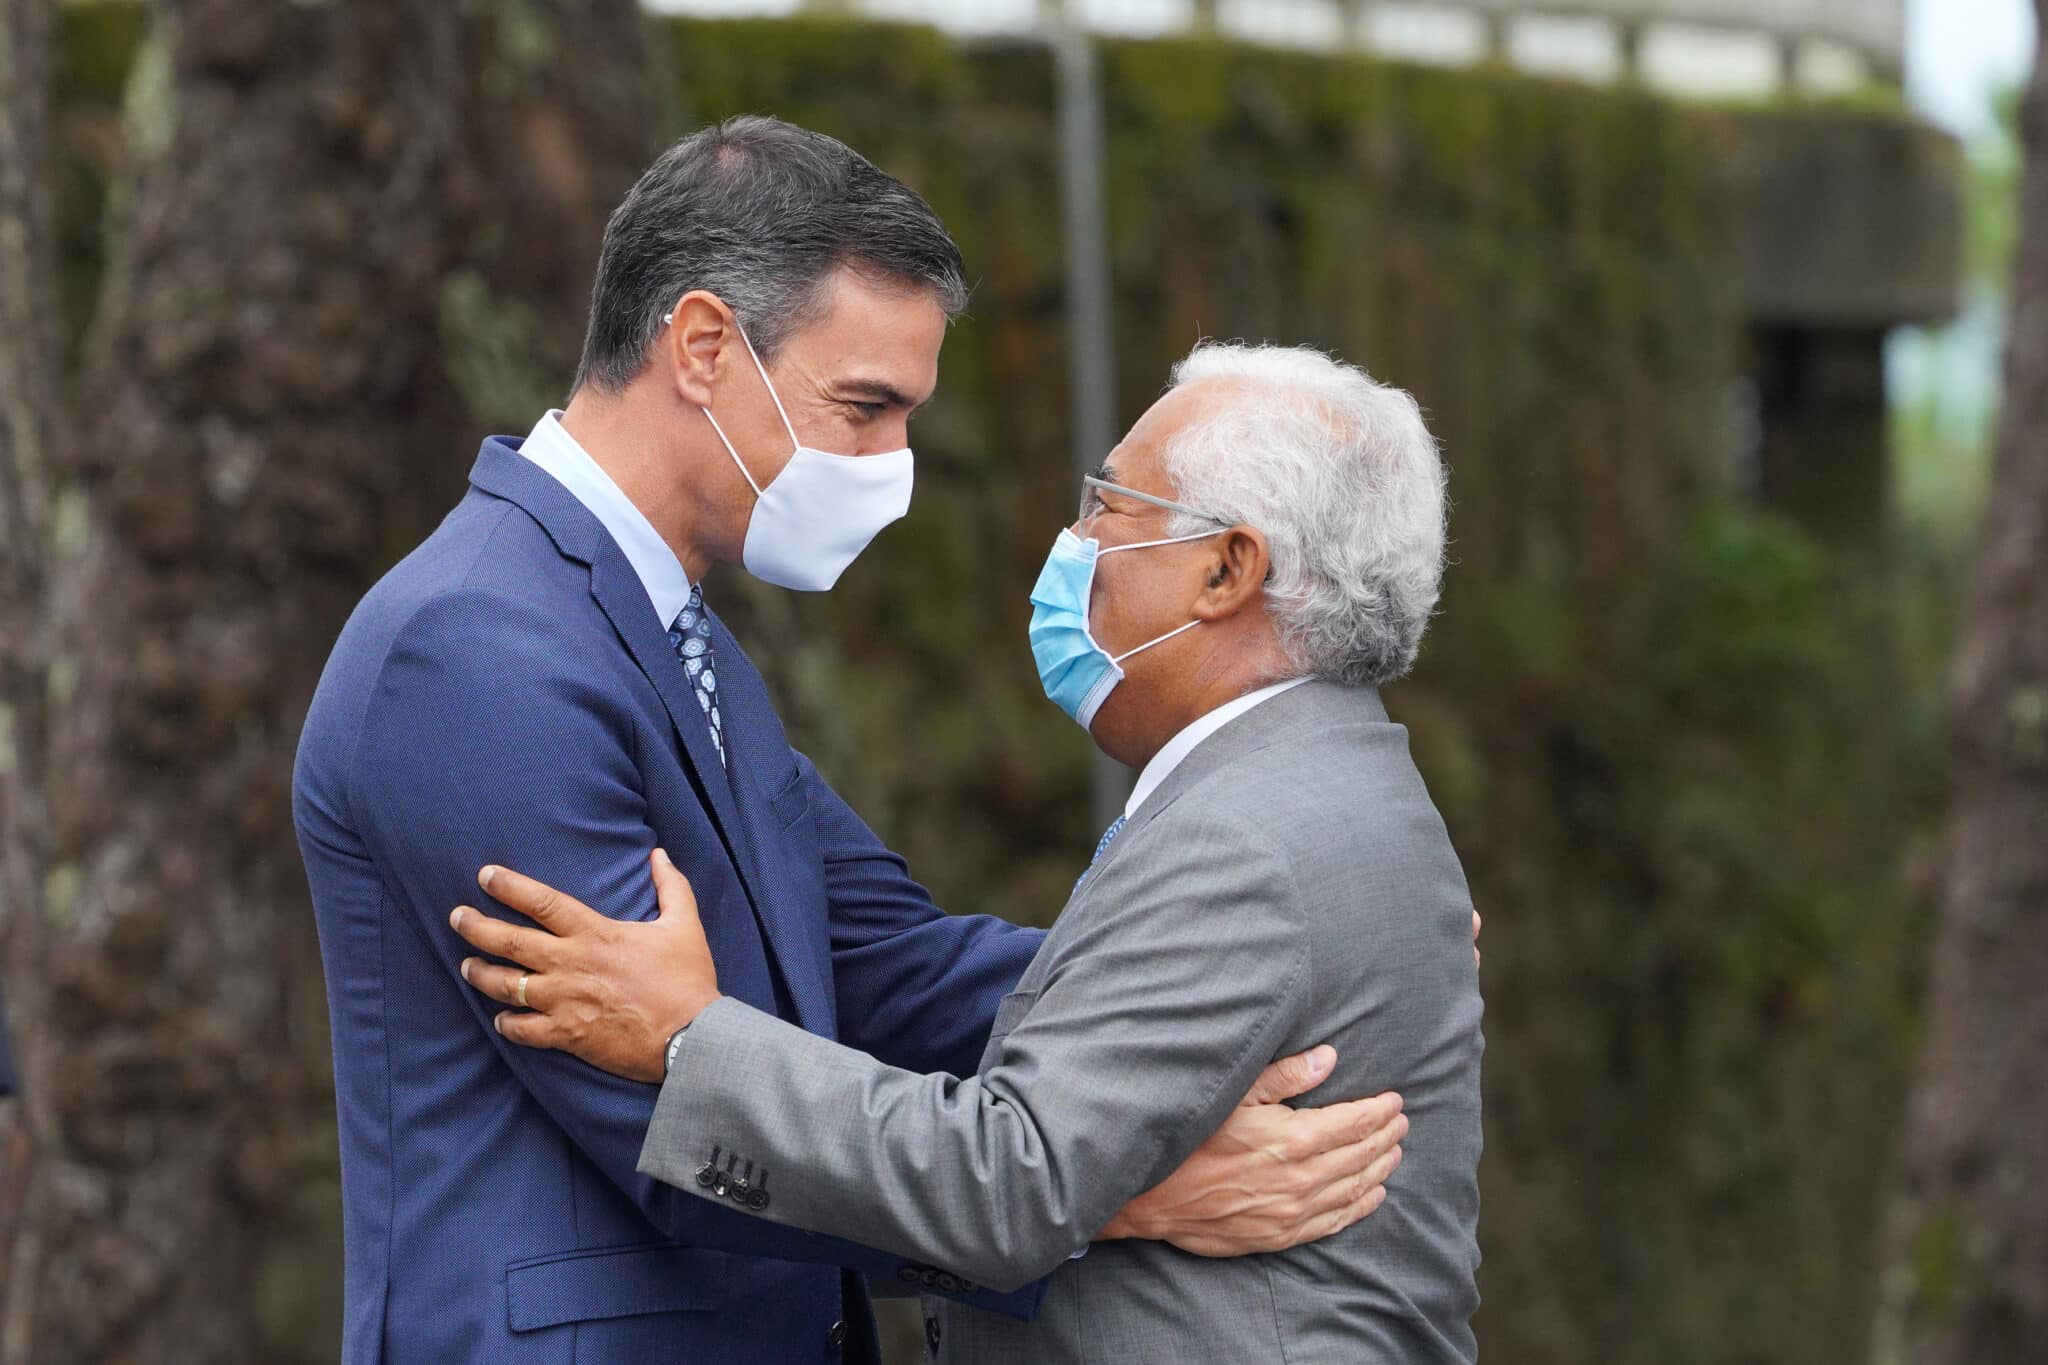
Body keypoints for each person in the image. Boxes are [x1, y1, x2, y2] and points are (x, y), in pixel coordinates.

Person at [294, 117, 1415, 1365]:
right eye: (864, 407)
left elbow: (892, 967)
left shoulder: (679, 640)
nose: (895, 466)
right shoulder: (471, 650)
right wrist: (1113, 1193)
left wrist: (1247, 963)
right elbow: (657, 1109)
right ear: (705, 346)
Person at [450, 341, 1486, 1363]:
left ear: (1225, 569)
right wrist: (1124, 1184)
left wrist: (686, 1038)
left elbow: (1008, 1185)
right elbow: (926, 974)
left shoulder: (1241, 839)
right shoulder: (1332, 787)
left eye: (1108, 507)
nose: (1072, 540)